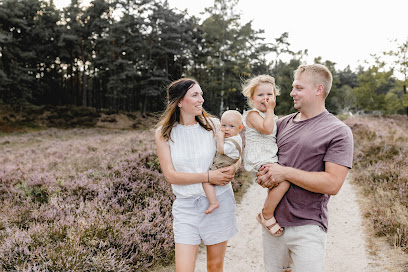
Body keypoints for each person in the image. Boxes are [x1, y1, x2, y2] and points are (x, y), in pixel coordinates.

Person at [256, 64, 354, 272]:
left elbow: (333, 184)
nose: (292, 93)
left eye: (299, 88)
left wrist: (285, 172)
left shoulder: (338, 131)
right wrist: (264, 175)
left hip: (309, 227)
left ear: (319, 90)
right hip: (274, 227)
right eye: (293, 87)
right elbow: (267, 162)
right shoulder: (281, 124)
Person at [155, 78, 240, 272]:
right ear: (179, 102)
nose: (201, 99)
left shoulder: (214, 125)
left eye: (201, 94)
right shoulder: (163, 133)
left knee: (214, 267)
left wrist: (232, 169)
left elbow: (236, 153)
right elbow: (171, 175)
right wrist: (209, 177)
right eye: (195, 95)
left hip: (219, 201)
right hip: (186, 207)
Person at [241, 75, 290, 237]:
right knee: (283, 182)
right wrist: (270, 110)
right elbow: (268, 130)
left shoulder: (271, 117)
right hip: (258, 157)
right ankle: (266, 214)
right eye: (261, 95)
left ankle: (274, 211)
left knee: (277, 183)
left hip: (269, 156)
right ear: (252, 98)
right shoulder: (252, 115)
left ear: (275, 97)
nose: (265, 98)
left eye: (269, 94)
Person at [204, 110, 243, 214]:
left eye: (231, 126)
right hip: (227, 163)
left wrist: (220, 137)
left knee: (206, 182)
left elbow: (221, 150)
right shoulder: (235, 136)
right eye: (224, 125)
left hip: (224, 164)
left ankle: (213, 202)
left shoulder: (232, 142)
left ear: (240, 128)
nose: (226, 129)